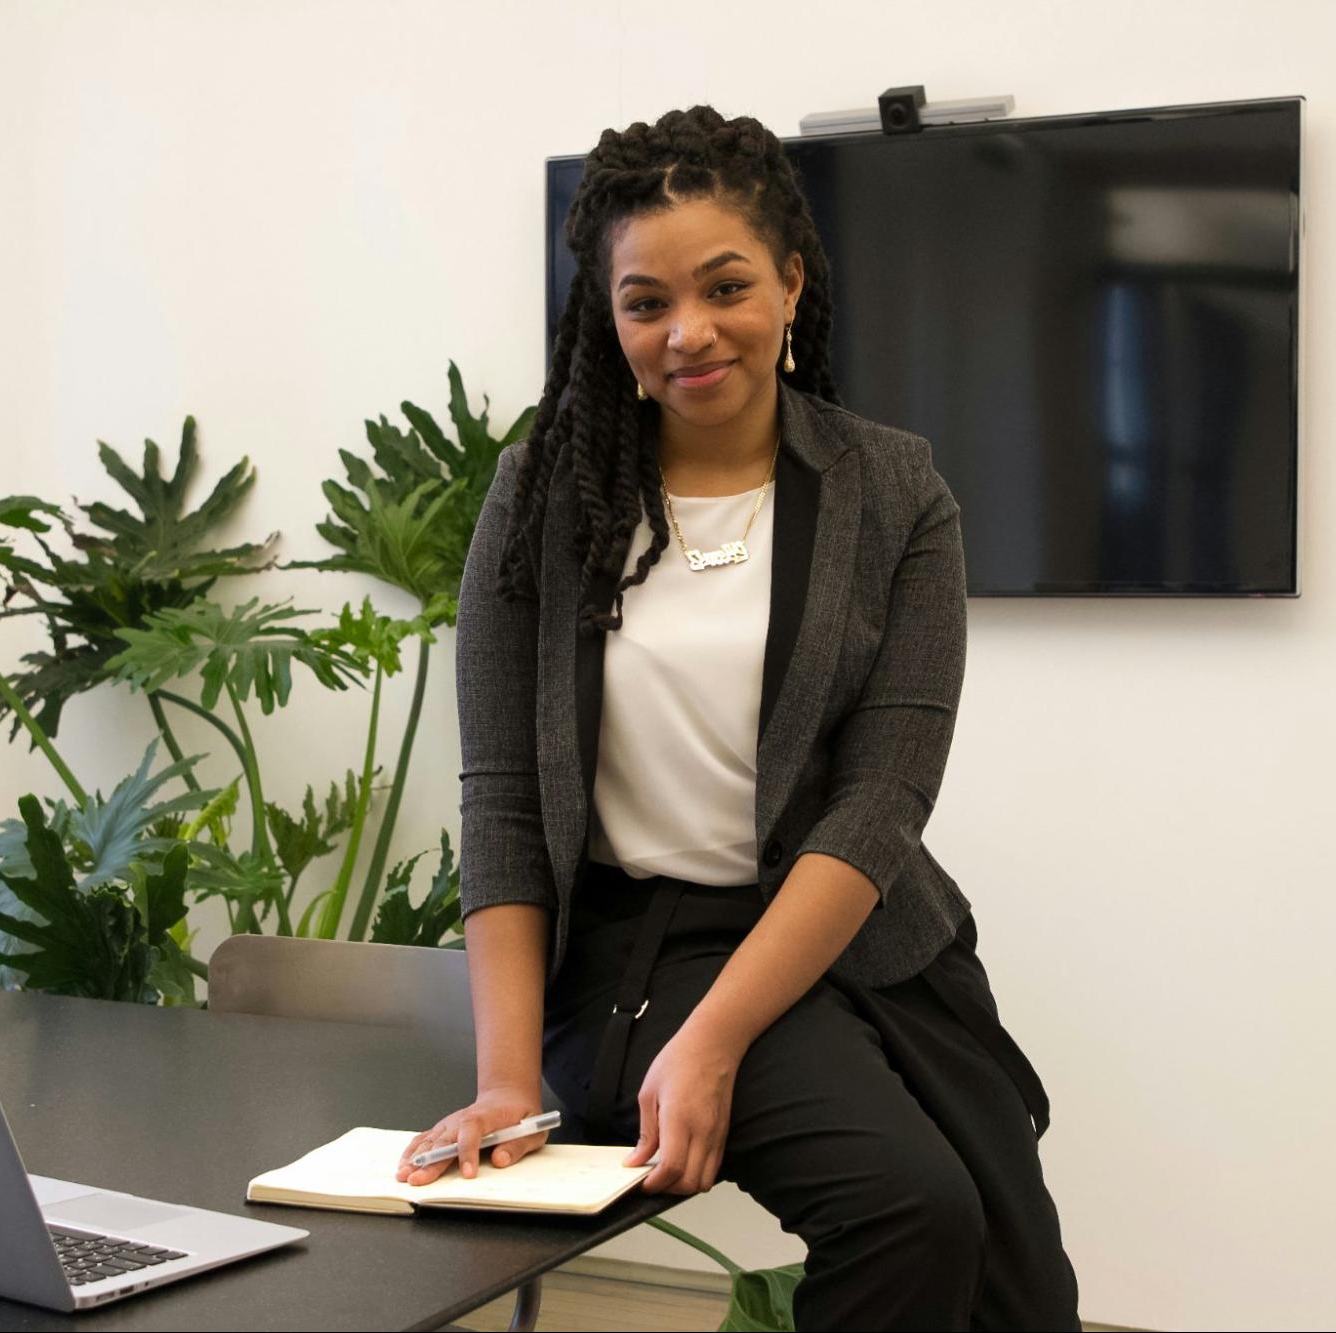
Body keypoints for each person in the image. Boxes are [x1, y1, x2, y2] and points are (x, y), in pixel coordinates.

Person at [394, 105, 1080, 1331]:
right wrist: (504, 1083)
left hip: (847, 933)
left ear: (792, 283)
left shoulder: (893, 490)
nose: (688, 333)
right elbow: (500, 794)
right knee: (910, 1209)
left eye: (725, 287)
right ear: (607, 319)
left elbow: (883, 798)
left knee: (1004, 1271)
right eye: (645, 301)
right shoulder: (542, 489)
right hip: (627, 951)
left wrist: (717, 1041)